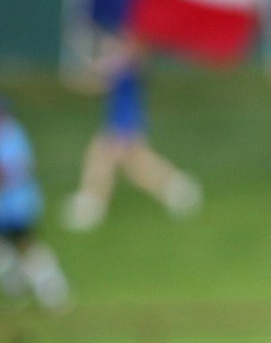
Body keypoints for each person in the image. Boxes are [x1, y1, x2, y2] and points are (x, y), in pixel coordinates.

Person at [61, 33, 202, 231]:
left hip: (124, 124)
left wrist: (85, 66)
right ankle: (177, 189)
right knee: (136, 168)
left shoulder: (128, 64)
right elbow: (98, 76)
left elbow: (98, 76)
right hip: (120, 122)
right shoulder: (125, 62)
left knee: (103, 158)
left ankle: (91, 205)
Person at [0, 94, 69, 309]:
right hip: (5, 205)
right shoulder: (3, 135)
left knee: (25, 246)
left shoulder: (6, 136)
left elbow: (12, 170)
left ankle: (51, 288)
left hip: (16, 205)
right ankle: (19, 284)